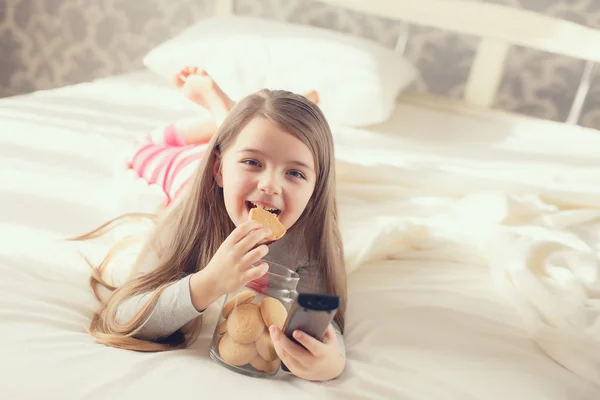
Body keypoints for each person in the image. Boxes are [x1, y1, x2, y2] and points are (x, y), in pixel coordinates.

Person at [71, 67, 347, 382]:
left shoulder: (310, 240)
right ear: (219, 169)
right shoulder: (187, 217)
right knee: (139, 149)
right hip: (185, 172)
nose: (270, 185)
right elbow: (122, 316)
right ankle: (221, 114)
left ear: (315, 190)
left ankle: (233, 124)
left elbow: (326, 322)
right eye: (253, 162)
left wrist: (333, 362)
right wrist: (209, 283)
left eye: (295, 173)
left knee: (264, 141)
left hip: (233, 163)